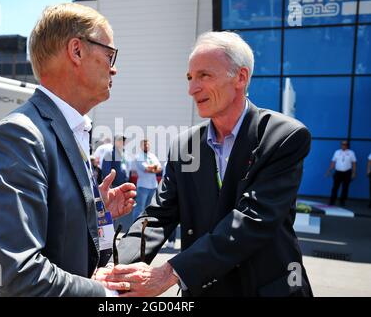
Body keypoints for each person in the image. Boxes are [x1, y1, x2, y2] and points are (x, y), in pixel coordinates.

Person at [97, 32, 313, 297]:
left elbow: (252, 220)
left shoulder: (283, 136)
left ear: (241, 77)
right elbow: (158, 216)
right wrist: (116, 270)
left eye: (204, 76)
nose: (192, 88)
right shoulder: (185, 145)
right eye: (190, 78)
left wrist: (169, 273)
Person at [0, 3, 136, 297]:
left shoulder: (69, 131)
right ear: (76, 51)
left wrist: (96, 216)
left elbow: (65, 247)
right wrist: (108, 296)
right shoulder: (20, 136)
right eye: (109, 54)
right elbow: (18, 277)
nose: (114, 67)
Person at [131, 139, 161, 221]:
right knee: (140, 208)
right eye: (144, 145)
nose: (146, 146)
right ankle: (134, 227)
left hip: (153, 186)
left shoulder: (152, 156)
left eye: (147, 144)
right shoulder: (139, 157)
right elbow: (146, 169)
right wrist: (154, 167)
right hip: (143, 186)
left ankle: (145, 227)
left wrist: (151, 168)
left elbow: (159, 168)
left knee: (149, 208)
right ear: (141, 146)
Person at [326, 141, 356, 207]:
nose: (343, 145)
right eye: (342, 144)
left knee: (345, 188)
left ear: (347, 145)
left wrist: (354, 172)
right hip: (338, 172)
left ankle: (342, 201)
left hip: (347, 172)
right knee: (335, 187)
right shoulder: (337, 152)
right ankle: (332, 201)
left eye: (345, 144)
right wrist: (330, 170)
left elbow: (354, 163)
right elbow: (333, 161)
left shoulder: (351, 153)